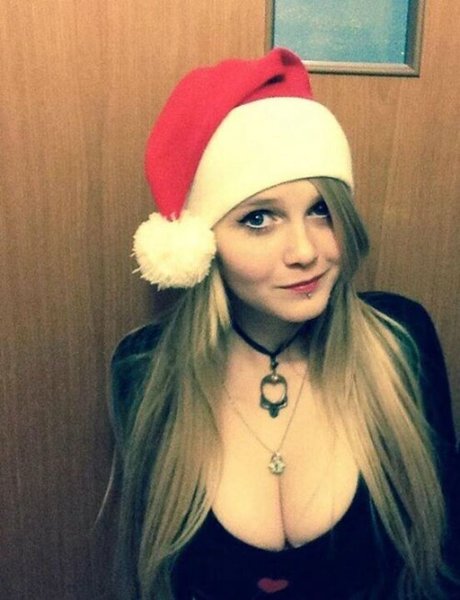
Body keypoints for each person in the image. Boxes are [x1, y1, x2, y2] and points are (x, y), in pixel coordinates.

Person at [109, 48, 459, 599]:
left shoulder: (400, 341)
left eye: (321, 210)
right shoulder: (145, 370)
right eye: (258, 219)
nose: (305, 251)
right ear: (201, 244)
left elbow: (444, 563)